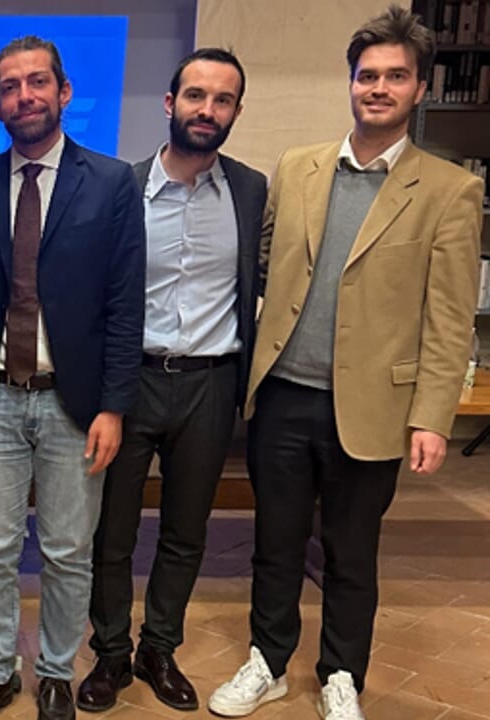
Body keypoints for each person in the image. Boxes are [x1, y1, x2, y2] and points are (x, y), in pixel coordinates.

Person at [207, 7, 484, 719]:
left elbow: (449, 317)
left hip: (371, 410)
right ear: (351, 82)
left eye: (396, 76)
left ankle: (341, 675)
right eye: (367, 76)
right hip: (283, 396)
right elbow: (260, 264)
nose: (379, 88)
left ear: (420, 88)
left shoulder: (450, 191)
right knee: (274, 544)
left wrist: (432, 416)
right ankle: (268, 661)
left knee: (350, 554)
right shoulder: (298, 168)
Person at [0, 35, 146, 720]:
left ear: (63, 92)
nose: (25, 96)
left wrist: (113, 406)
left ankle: (58, 672)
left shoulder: (112, 182)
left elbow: (125, 302)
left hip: (75, 403)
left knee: (68, 551)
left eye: (37, 82)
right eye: (10, 87)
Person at [77, 48, 267, 714]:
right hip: (129, 381)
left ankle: (159, 648)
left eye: (222, 100)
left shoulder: (251, 191)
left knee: (187, 530)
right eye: (195, 96)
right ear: (169, 103)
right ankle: (111, 653)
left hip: (211, 382)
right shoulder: (119, 188)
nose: (207, 110)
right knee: (113, 531)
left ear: (235, 111)